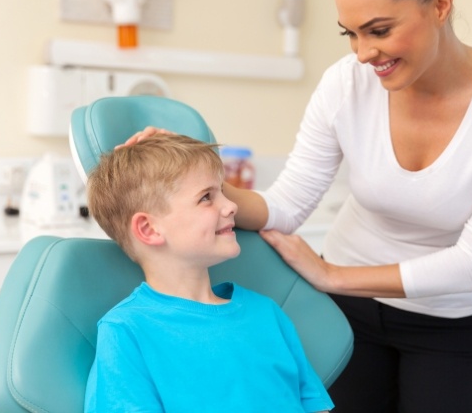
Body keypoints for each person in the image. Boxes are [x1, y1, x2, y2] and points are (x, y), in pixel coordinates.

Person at [123, 0, 472, 411]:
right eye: (350, 34)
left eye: (380, 30)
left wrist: (331, 275)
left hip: (443, 323)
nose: (364, 54)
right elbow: (286, 204)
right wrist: (197, 177)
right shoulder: (345, 84)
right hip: (345, 319)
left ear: (441, 5)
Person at [84, 134, 333, 413]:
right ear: (149, 229)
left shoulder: (266, 313)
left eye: (223, 192)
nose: (232, 206)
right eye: (206, 197)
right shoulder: (125, 332)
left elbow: (315, 407)